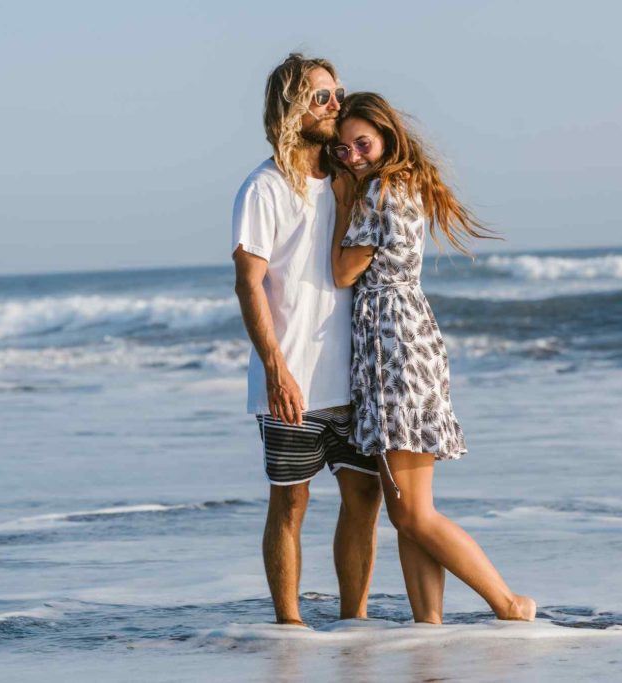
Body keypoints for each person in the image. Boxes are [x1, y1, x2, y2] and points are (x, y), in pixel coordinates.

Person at [330, 92, 536, 623]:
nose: (353, 154)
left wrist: (340, 200)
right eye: (344, 148)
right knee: (407, 513)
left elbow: (343, 272)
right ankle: (430, 627)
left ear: (386, 137)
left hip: (393, 348)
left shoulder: (376, 190)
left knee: (415, 513)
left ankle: (508, 603)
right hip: (408, 340)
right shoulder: (404, 182)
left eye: (362, 143)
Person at [231, 55, 383, 627]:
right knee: (290, 503)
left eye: (337, 92)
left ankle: (356, 623)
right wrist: (276, 368)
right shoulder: (264, 188)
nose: (336, 104)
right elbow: (248, 283)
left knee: (363, 504)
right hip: (289, 380)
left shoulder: (349, 182)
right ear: (292, 108)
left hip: (354, 379)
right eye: (322, 97)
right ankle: (289, 628)